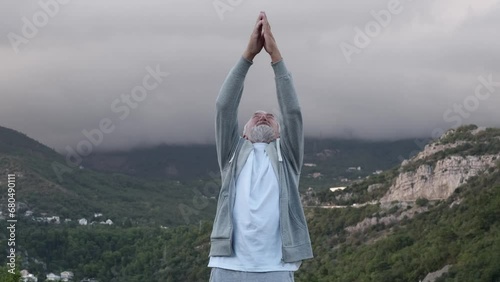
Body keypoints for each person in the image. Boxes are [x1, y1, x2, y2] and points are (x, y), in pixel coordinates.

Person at [208, 11, 313, 282]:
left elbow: (293, 112)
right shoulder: (232, 154)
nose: (264, 115)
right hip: (227, 265)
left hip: (276, 268)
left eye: (269, 116)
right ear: (243, 133)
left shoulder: (286, 157)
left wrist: (276, 57)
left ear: (280, 134)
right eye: (255, 115)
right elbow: (223, 107)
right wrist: (248, 56)